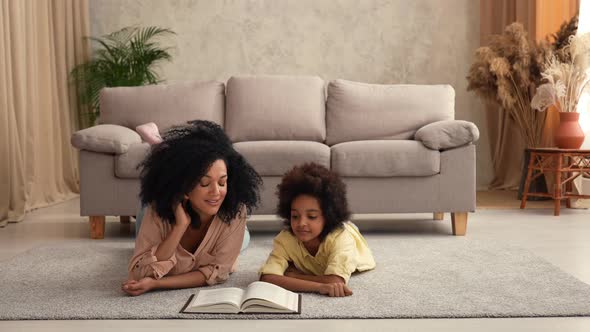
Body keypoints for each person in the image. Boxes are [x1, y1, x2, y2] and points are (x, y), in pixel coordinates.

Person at [122, 121, 261, 296]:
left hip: (224, 218)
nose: (216, 192)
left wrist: (157, 284)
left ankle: (163, 149)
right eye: (204, 183)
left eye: (222, 182)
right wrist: (179, 227)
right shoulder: (156, 211)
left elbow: (217, 273)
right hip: (156, 209)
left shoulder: (236, 210)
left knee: (243, 239)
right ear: (185, 187)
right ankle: (162, 150)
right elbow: (139, 272)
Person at [259, 163, 376, 297]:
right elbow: (267, 278)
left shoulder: (341, 239)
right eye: (295, 216)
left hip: (351, 246)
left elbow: (335, 280)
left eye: (312, 216)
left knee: (347, 230)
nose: (301, 223)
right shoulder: (286, 239)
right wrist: (320, 286)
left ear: (328, 216)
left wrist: (295, 276)